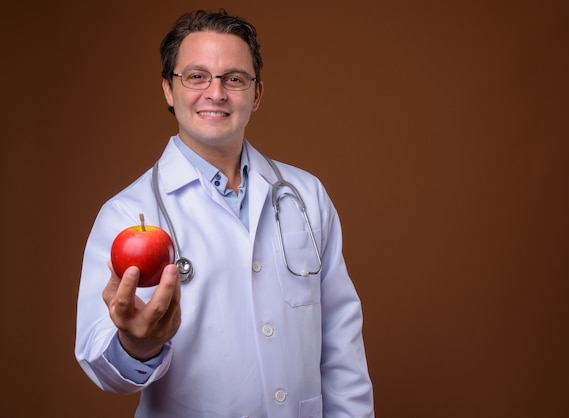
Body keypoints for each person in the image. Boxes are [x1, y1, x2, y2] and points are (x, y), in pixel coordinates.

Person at [75, 9, 374, 418]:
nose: (216, 93)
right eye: (196, 76)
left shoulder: (305, 195)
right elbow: (98, 361)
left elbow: (341, 339)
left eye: (234, 79)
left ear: (257, 94)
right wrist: (137, 346)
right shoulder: (127, 213)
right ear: (168, 89)